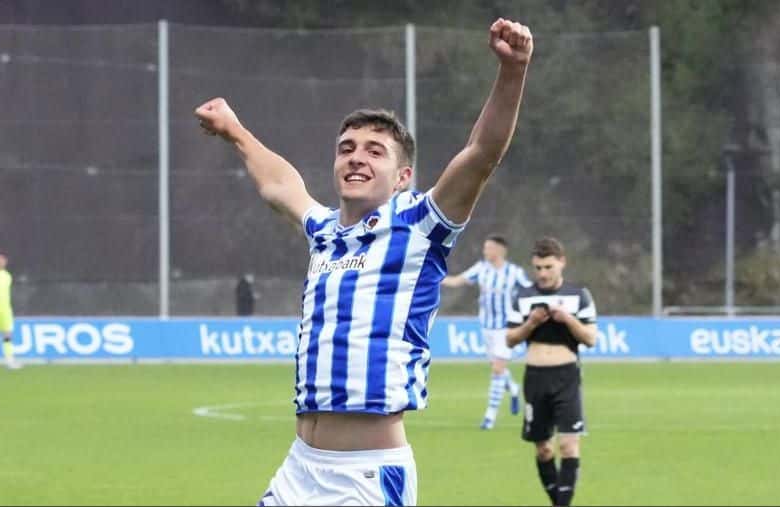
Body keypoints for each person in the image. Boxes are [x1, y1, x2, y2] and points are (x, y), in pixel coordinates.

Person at [195, 17, 533, 506]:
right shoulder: (325, 232)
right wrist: (235, 131)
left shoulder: (420, 225)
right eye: (346, 149)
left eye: (375, 152)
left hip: (367, 478)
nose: (356, 158)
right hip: (299, 469)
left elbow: (481, 154)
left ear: (403, 177)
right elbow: (280, 186)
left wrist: (512, 71)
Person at [505, 237, 597, 507]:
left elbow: (590, 338)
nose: (543, 273)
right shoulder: (522, 296)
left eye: (548, 267)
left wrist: (568, 319)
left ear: (562, 263)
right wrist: (530, 323)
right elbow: (510, 339)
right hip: (535, 377)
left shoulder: (579, 295)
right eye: (538, 268)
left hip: (566, 376)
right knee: (544, 449)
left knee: (569, 445)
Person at [442, 234, 531, 430]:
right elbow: (458, 281)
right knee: (497, 367)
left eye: (489, 247)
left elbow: (530, 292)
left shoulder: (514, 273)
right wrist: (434, 278)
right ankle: (513, 388)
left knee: (498, 368)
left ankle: (489, 417)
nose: (485, 251)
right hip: (486, 327)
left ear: (500, 250)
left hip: (506, 328)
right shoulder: (481, 269)